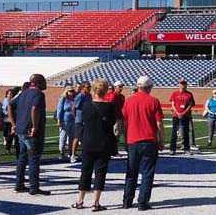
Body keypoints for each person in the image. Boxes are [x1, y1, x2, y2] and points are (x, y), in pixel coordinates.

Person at [73, 78, 118, 211]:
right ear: (105, 91)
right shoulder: (110, 106)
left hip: (88, 141)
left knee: (85, 172)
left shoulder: (86, 105)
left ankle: (80, 200)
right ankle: (96, 202)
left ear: (93, 90)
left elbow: (82, 121)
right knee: (100, 172)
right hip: (103, 142)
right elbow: (111, 123)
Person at [122, 76, 165, 211]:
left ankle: (127, 201)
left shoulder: (129, 101)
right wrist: (161, 140)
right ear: (149, 87)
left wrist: (126, 138)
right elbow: (159, 123)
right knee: (147, 173)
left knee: (131, 172)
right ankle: (142, 202)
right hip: (149, 140)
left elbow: (124, 122)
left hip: (133, 140)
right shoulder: (153, 101)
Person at [9, 74, 51, 196]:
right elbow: (34, 109)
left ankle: (19, 184)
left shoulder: (23, 93)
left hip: (21, 129)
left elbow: (10, 105)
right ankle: (34, 187)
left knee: (22, 158)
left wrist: (13, 123)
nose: (45, 83)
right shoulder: (39, 94)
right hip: (30, 132)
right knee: (33, 158)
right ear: (37, 82)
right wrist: (35, 126)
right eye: (43, 81)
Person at [169, 79, 194, 155]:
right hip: (176, 115)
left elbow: (190, 105)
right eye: (181, 84)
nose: (182, 86)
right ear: (179, 85)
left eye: (183, 84)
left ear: (186, 85)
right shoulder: (175, 94)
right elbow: (173, 104)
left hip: (185, 116)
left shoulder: (189, 94)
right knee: (174, 133)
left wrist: (183, 112)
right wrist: (177, 112)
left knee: (186, 132)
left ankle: (186, 149)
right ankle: (172, 149)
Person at [71, 81, 91, 163]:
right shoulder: (80, 96)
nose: (89, 89)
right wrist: (76, 117)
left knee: (85, 138)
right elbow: (74, 108)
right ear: (83, 88)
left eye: (89, 87)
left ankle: (85, 154)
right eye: (87, 87)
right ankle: (73, 155)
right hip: (79, 120)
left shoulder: (89, 96)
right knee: (77, 137)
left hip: (87, 120)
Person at [55, 86, 77, 160]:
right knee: (63, 136)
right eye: (69, 91)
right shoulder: (63, 99)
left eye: (72, 91)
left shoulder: (74, 99)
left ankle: (71, 151)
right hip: (65, 120)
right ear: (66, 92)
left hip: (73, 120)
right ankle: (61, 152)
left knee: (72, 136)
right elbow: (59, 109)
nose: (71, 92)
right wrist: (59, 119)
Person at [2, 87, 19, 155]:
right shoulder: (7, 100)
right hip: (8, 120)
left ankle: (13, 148)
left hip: (11, 119)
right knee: (10, 134)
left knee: (12, 134)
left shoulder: (11, 100)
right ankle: (7, 148)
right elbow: (7, 109)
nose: (11, 95)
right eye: (9, 94)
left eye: (12, 94)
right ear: (7, 95)